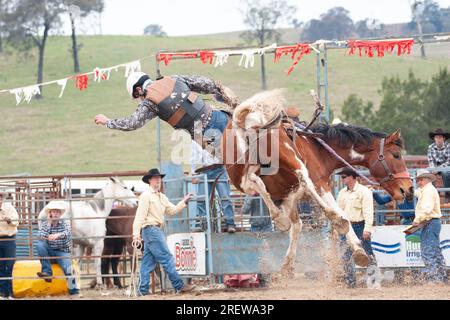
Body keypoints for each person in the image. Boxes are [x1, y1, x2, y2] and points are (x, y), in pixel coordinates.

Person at [94, 73, 239, 141]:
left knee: (237, 169)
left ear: (138, 90)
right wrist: (227, 99)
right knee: (257, 152)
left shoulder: (149, 103)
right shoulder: (173, 79)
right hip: (220, 117)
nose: (139, 100)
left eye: (137, 97)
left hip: (208, 136)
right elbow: (206, 83)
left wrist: (108, 121)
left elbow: (132, 123)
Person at [133, 168, 195, 296]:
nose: (158, 180)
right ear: (149, 180)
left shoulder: (162, 197)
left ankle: (142, 290)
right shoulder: (146, 196)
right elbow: (140, 216)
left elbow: (171, 211)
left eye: (159, 178)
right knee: (167, 258)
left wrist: (184, 202)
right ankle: (179, 285)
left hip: (154, 231)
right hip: (151, 230)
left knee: (148, 262)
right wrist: (136, 235)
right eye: (155, 178)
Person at [336, 167, 377, 288]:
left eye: (344, 177)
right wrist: (336, 228)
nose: (342, 179)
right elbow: (338, 211)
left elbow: (369, 212)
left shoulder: (364, 191)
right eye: (342, 177)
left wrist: (367, 229)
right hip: (346, 227)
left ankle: (373, 281)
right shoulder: (342, 192)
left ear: (352, 177)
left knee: (368, 253)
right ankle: (350, 282)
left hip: (360, 225)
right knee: (346, 255)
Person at [191, 141, 236, 233]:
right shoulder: (196, 138)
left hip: (219, 169)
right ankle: (201, 225)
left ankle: (230, 223)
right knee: (201, 199)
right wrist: (193, 173)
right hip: (205, 170)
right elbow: (194, 155)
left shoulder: (218, 133)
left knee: (225, 197)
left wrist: (230, 172)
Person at [36, 201, 79, 296]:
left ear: (60, 214)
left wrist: (58, 235)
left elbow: (68, 232)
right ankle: (47, 272)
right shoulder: (45, 224)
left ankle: (74, 291)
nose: (56, 214)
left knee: (68, 268)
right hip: (50, 251)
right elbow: (40, 236)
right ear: (50, 213)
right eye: (54, 211)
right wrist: (49, 226)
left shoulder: (64, 223)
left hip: (62, 251)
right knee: (40, 244)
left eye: (58, 212)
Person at [413, 169, 448, 283]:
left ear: (424, 179)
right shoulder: (428, 190)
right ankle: (442, 276)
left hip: (429, 222)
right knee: (435, 251)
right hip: (432, 222)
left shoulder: (427, 191)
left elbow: (426, 209)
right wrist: (410, 190)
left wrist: (417, 220)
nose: (418, 182)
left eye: (419, 180)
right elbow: (418, 193)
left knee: (428, 251)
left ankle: (433, 278)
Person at [0, 190, 19, 299]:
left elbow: (16, 221)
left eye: (0, 197)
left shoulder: (9, 207)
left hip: (9, 238)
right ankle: (2, 293)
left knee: (9, 264)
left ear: (2, 198)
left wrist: (9, 220)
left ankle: (10, 292)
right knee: (1, 266)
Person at [427, 128, 450, 202]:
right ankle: (434, 193)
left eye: (440, 137)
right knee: (428, 173)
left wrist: (438, 169)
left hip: (446, 168)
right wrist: (433, 169)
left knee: (445, 173)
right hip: (435, 168)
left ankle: (447, 194)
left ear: (444, 138)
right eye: (436, 137)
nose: (438, 139)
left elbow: (449, 161)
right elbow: (430, 160)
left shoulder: (448, 146)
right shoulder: (430, 147)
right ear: (434, 138)